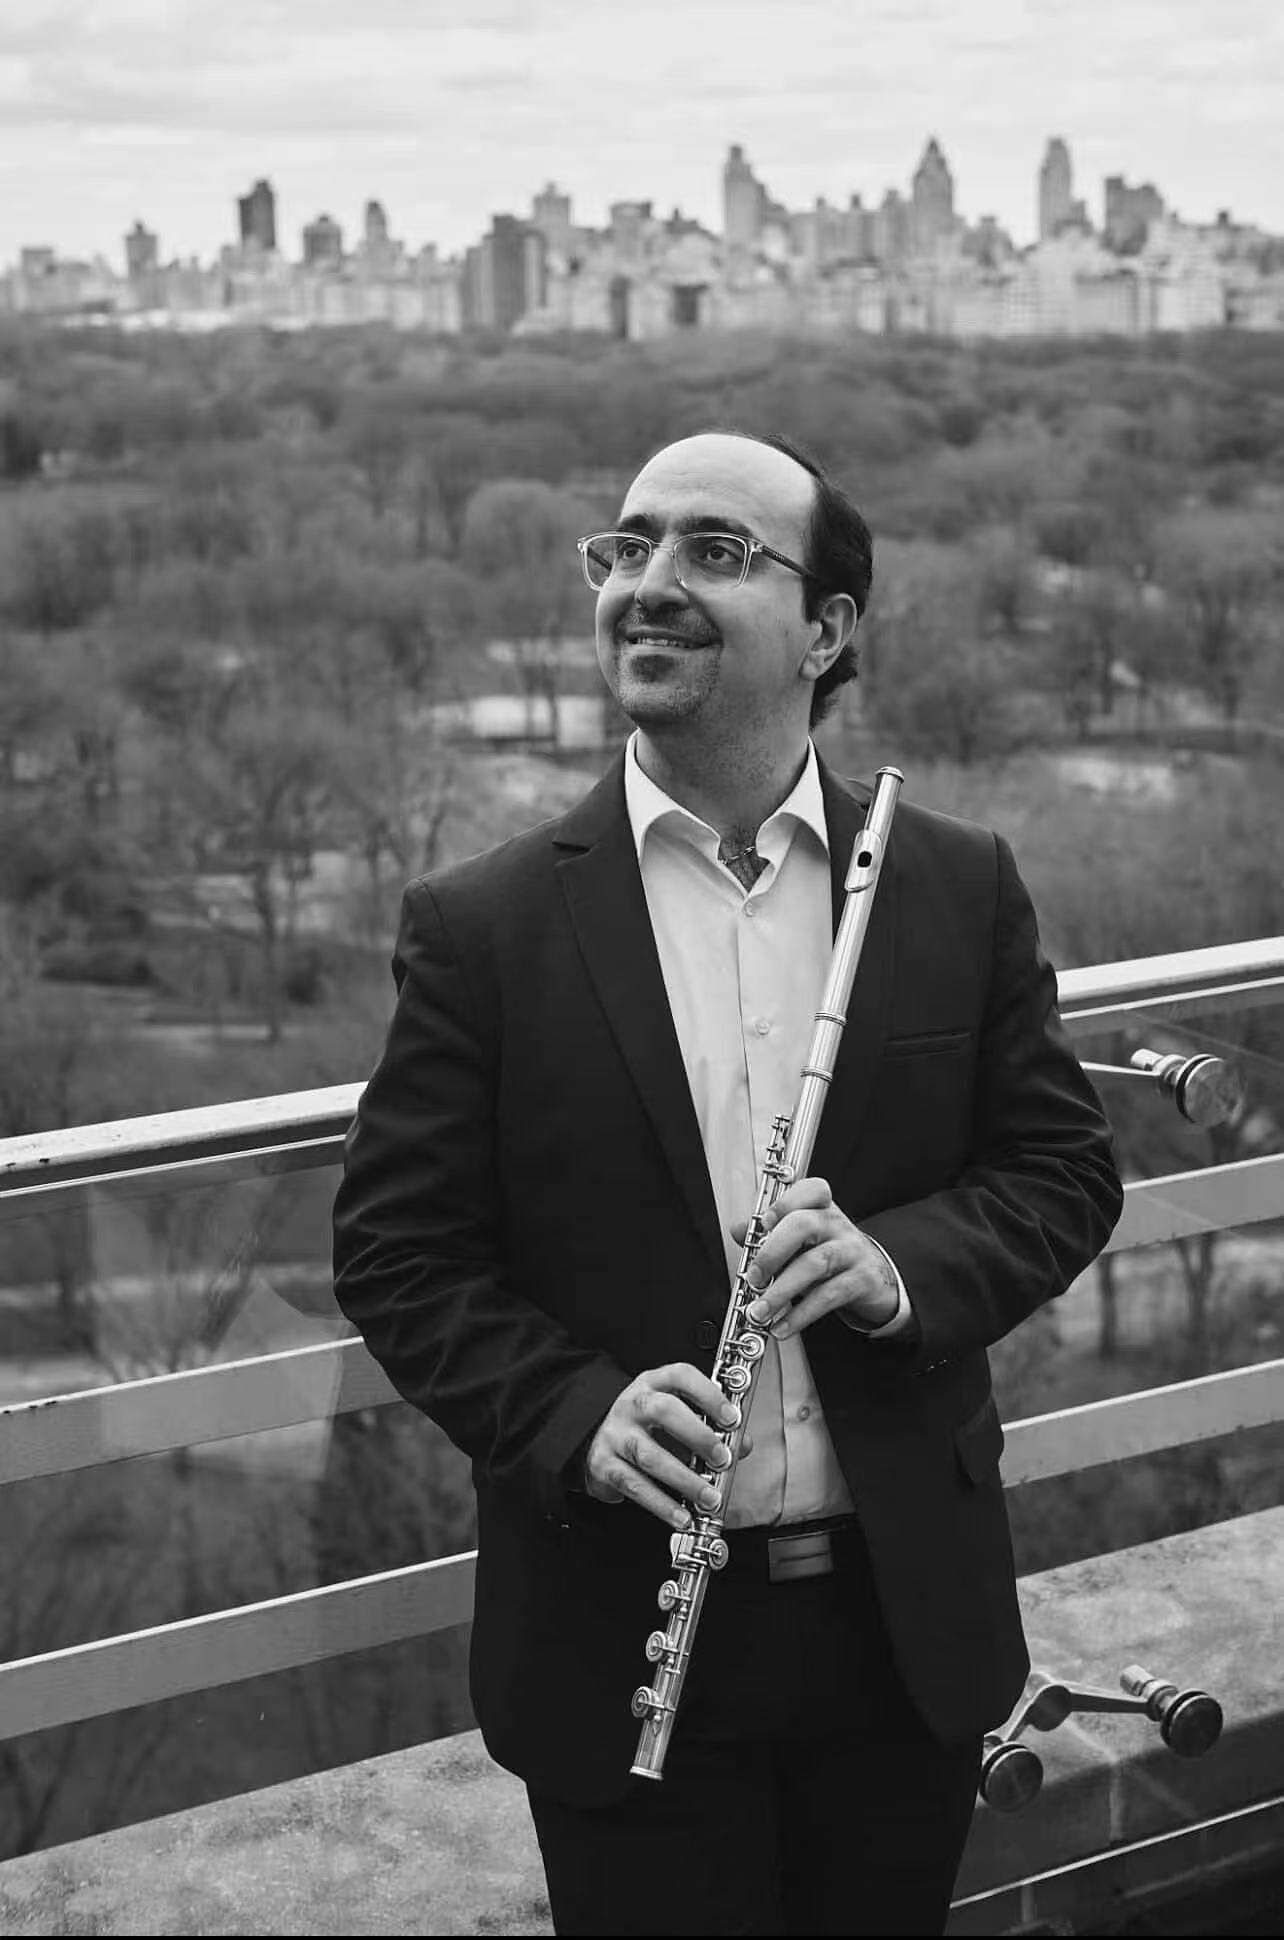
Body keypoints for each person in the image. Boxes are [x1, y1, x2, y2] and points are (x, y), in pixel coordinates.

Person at [332, 429, 1123, 1937]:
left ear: (826, 628)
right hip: (622, 1640)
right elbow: (397, 1255)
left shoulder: (955, 882)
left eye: (715, 551)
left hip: (904, 1631)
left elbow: (1061, 1169)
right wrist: (576, 1413)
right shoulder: (484, 926)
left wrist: (900, 1269)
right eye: (626, 547)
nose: (649, 583)